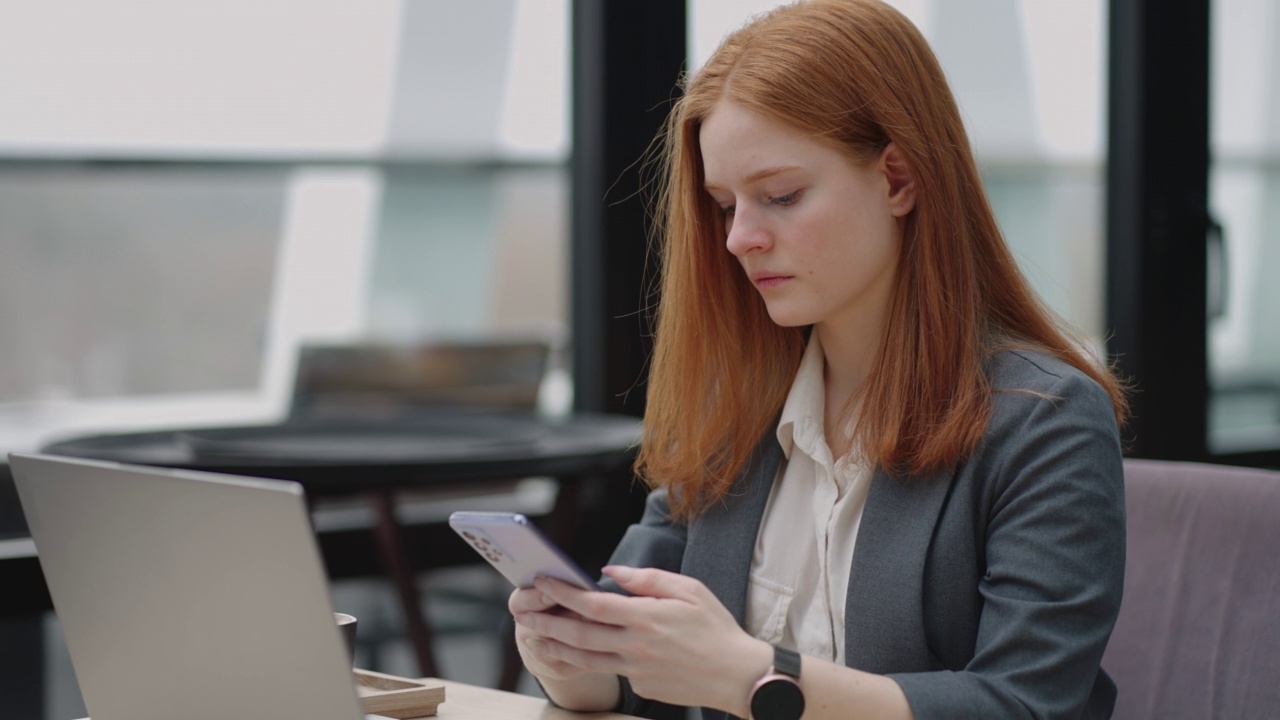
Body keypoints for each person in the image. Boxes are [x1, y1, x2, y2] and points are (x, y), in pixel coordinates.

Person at [510, 1, 1129, 718]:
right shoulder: (738, 409)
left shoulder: (1043, 423)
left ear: (899, 178)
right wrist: (568, 655)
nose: (741, 238)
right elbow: (631, 669)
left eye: (781, 195)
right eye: (722, 205)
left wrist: (753, 676)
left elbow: (1024, 703)